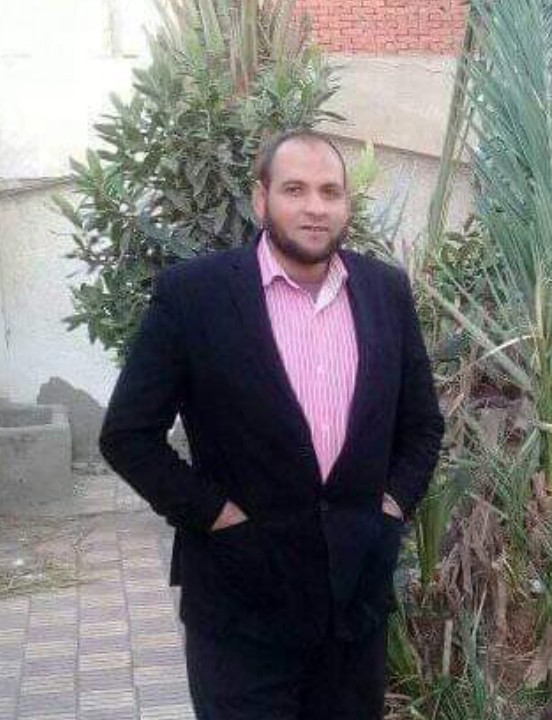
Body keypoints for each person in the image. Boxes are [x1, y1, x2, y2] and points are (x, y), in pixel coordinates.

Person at [99, 129, 444, 720]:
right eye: (294, 189)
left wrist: (389, 510)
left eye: (330, 191)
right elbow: (128, 435)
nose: (315, 207)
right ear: (261, 199)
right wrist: (214, 514)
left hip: (353, 609)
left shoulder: (385, 292)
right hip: (240, 605)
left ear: (347, 204)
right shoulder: (195, 295)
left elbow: (422, 426)